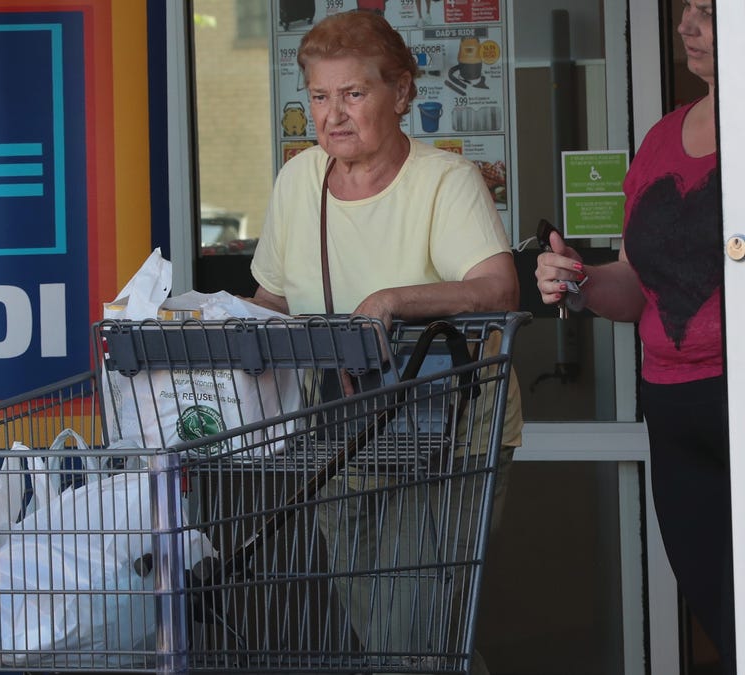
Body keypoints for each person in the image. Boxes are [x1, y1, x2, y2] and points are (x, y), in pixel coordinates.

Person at [249, 11, 521, 675]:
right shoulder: (298, 182)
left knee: (411, 630)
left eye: (353, 94)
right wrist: (195, 329)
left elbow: (497, 288)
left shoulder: (443, 182)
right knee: (394, 638)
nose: (332, 115)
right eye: (318, 96)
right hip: (343, 430)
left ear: (400, 94)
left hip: (445, 432)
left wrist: (393, 300)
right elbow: (273, 302)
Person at [535, 0, 734, 671]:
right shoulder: (662, 137)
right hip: (675, 404)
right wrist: (581, 282)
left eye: (708, 12)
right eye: (686, 10)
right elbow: (634, 281)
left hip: (736, 392)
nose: (686, 26)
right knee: (721, 611)